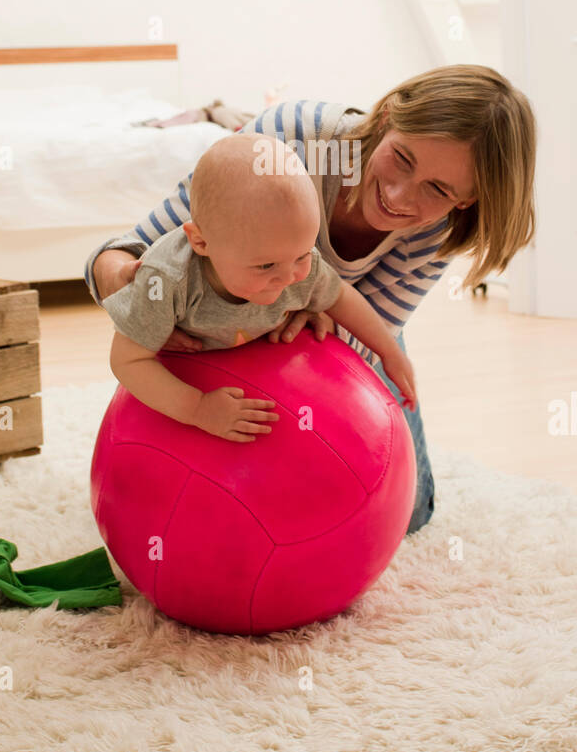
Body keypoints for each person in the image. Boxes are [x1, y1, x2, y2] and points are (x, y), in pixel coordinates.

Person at [87, 65, 537, 535]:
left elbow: (353, 314)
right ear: (386, 117)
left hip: (335, 329)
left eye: (440, 190)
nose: (400, 196)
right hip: (214, 322)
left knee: (408, 514)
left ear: (467, 199)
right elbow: (133, 252)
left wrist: (363, 340)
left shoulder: (437, 229)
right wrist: (130, 290)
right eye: (402, 158)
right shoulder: (290, 144)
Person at [103, 132, 417, 439]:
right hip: (183, 375)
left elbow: (340, 297)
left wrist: (390, 352)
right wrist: (197, 408)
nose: (290, 277)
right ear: (200, 241)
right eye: (266, 266)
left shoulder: (292, 259)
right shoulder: (166, 279)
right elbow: (128, 360)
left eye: (302, 255)